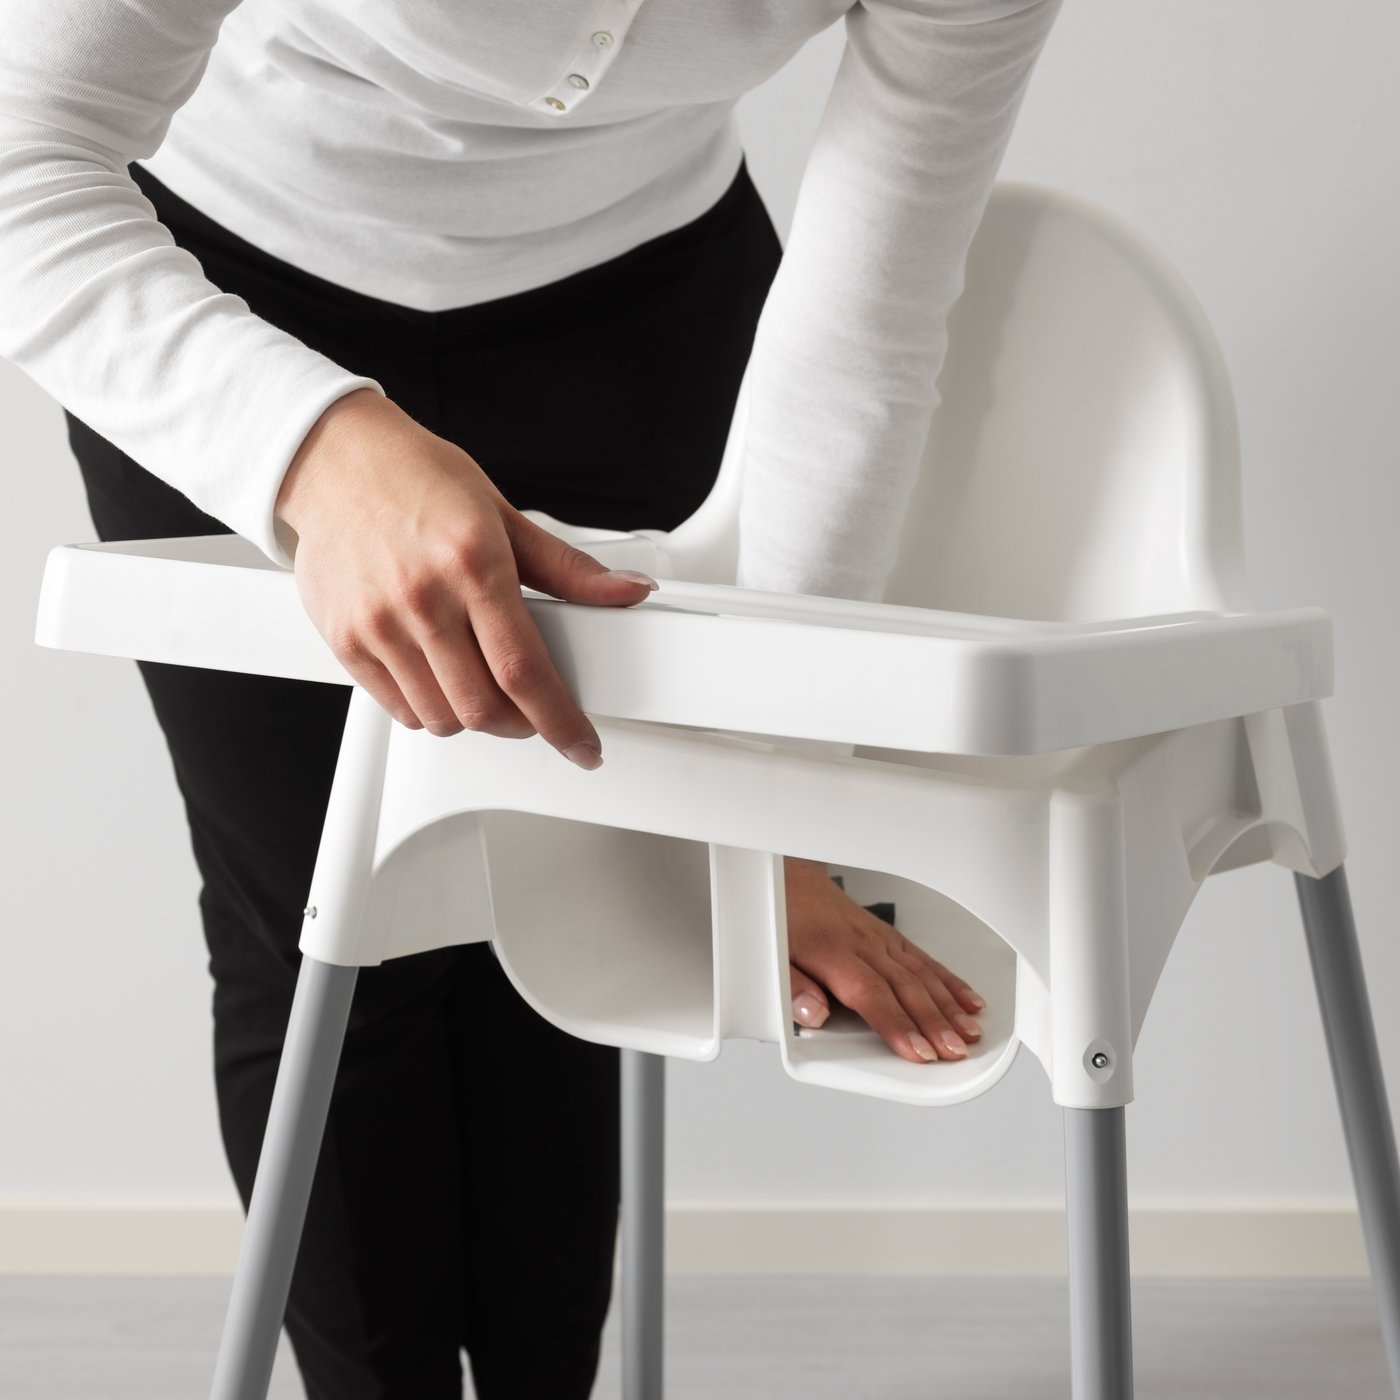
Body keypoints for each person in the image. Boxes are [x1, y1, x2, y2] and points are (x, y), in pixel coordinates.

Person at [0, 1, 1064, 1396]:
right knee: (328, 930)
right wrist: (317, 455)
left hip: (642, 314)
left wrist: (767, 803)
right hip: (231, 290)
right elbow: (19, 152)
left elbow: (866, 335)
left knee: (571, 919)